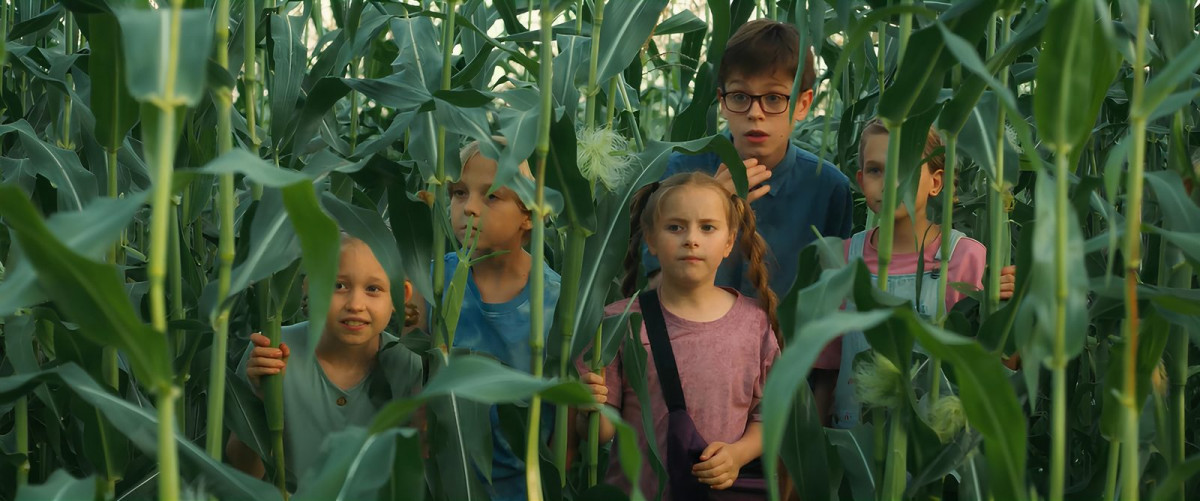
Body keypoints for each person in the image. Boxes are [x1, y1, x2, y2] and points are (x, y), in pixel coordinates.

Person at [644, 18, 853, 406]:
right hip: (684, 389)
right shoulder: (675, 172)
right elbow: (652, 294)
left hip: (785, 397)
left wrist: (815, 426)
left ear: (803, 103)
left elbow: (830, 324)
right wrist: (711, 204)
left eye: (774, 98)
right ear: (722, 101)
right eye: (740, 96)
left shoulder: (828, 189)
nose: (756, 113)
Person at [578, 172, 780, 500]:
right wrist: (588, 406)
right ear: (651, 240)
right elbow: (601, 433)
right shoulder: (618, 323)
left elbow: (770, 416)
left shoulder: (754, 323)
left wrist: (738, 454)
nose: (691, 239)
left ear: (729, 241)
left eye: (707, 227)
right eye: (675, 227)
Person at [818, 119, 1016, 428]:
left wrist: (1014, 311)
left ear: (936, 183)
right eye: (875, 170)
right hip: (857, 445)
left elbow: (998, 365)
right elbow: (827, 367)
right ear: (860, 180)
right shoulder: (841, 259)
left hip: (938, 443)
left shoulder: (965, 258)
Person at [226, 234, 423, 489]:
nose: (355, 305)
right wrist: (263, 399)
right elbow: (241, 474)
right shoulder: (272, 351)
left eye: (373, 289)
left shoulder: (410, 365)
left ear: (400, 295)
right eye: (338, 285)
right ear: (309, 287)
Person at [437, 139, 561, 501]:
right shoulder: (433, 283)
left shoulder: (558, 303)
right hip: (444, 483)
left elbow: (567, 432)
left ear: (529, 214)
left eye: (491, 196)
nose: (469, 208)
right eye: (459, 193)